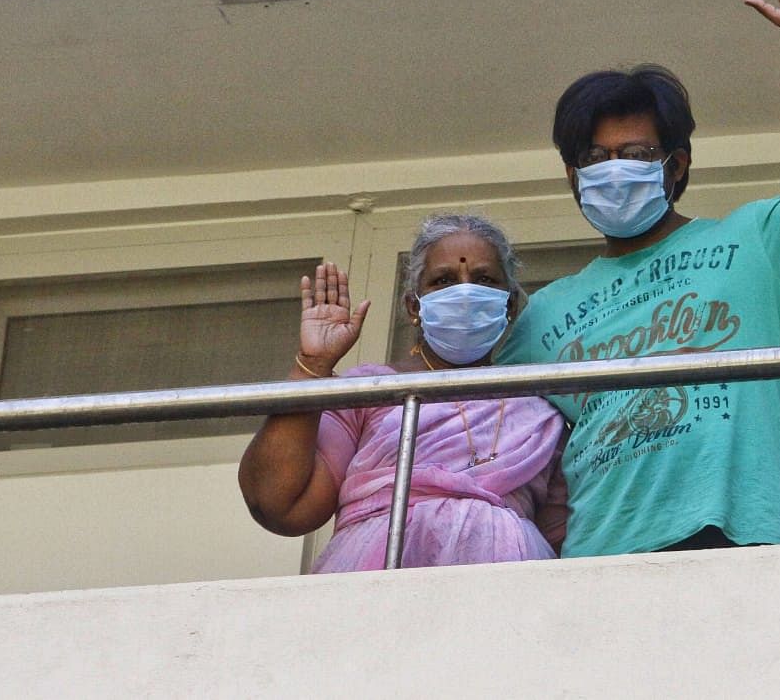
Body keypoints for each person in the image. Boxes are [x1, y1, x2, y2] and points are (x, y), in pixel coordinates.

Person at [497, 0, 780, 557]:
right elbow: (473, 438)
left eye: (636, 155)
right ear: (572, 177)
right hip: (600, 564)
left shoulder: (760, 241)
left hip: (740, 542)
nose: (614, 171)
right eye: (595, 159)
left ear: (677, 166)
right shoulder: (539, 319)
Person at [239, 213, 567, 571]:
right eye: (443, 280)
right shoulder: (370, 391)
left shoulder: (540, 410)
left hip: (503, 592)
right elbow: (279, 505)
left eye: (483, 279)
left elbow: (563, 542)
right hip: (378, 583)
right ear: (415, 306)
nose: (464, 292)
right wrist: (312, 365)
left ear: (510, 306)